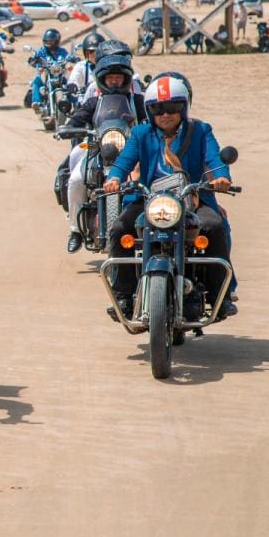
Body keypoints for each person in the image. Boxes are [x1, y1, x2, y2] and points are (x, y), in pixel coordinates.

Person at [101, 75, 235, 320]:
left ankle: (220, 297)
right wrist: (114, 178)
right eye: (157, 109)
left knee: (214, 227)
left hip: (191, 197)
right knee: (120, 228)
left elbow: (214, 159)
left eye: (172, 107)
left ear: (183, 107)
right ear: (150, 111)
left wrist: (221, 177)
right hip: (151, 199)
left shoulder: (201, 130)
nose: (165, 114)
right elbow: (125, 161)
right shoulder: (141, 133)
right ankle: (123, 293)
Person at [60, 52, 147, 253]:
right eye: (110, 78)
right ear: (103, 79)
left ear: (126, 79)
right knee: (75, 180)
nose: (115, 81)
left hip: (130, 150)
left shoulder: (138, 101)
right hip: (97, 149)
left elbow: (152, 120)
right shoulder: (94, 102)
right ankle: (74, 229)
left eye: (119, 77)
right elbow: (77, 119)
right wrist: (69, 128)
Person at [27, 28, 76, 109]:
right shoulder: (42, 51)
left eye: (51, 41)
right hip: (45, 74)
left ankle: (75, 103)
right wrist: (33, 60)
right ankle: (36, 102)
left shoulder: (62, 51)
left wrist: (74, 58)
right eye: (47, 41)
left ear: (57, 41)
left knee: (69, 84)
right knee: (36, 81)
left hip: (59, 74)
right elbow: (35, 57)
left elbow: (68, 56)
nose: (49, 43)